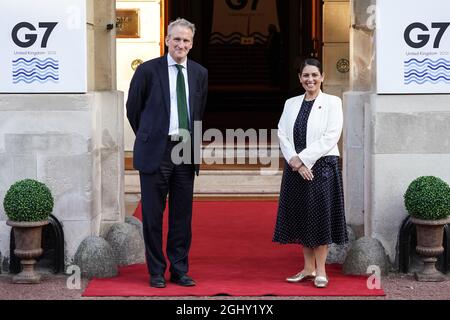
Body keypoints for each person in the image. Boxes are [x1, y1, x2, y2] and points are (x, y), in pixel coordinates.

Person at [126, 18, 208, 288]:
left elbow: (199, 110)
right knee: (152, 214)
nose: (181, 44)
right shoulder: (148, 71)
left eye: (186, 40)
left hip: (185, 148)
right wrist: (150, 136)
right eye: (176, 39)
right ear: (167, 40)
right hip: (156, 151)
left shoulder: (199, 73)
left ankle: (180, 269)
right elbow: (133, 109)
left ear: (192, 44)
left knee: (182, 216)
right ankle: (156, 271)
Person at [273, 58, 348, 288]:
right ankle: (307, 268)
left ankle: (321, 271)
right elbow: (282, 132)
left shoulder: (333, 102)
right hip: (296, 168)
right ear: (300, 78)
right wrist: (296, 162)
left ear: (322, 77)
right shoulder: (291, 103)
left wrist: (304, 159)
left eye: (314, 75)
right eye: (306, 75)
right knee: (302, 216)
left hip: (323, 167)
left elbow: (331, 135)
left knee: (320, 217)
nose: (310, 79)